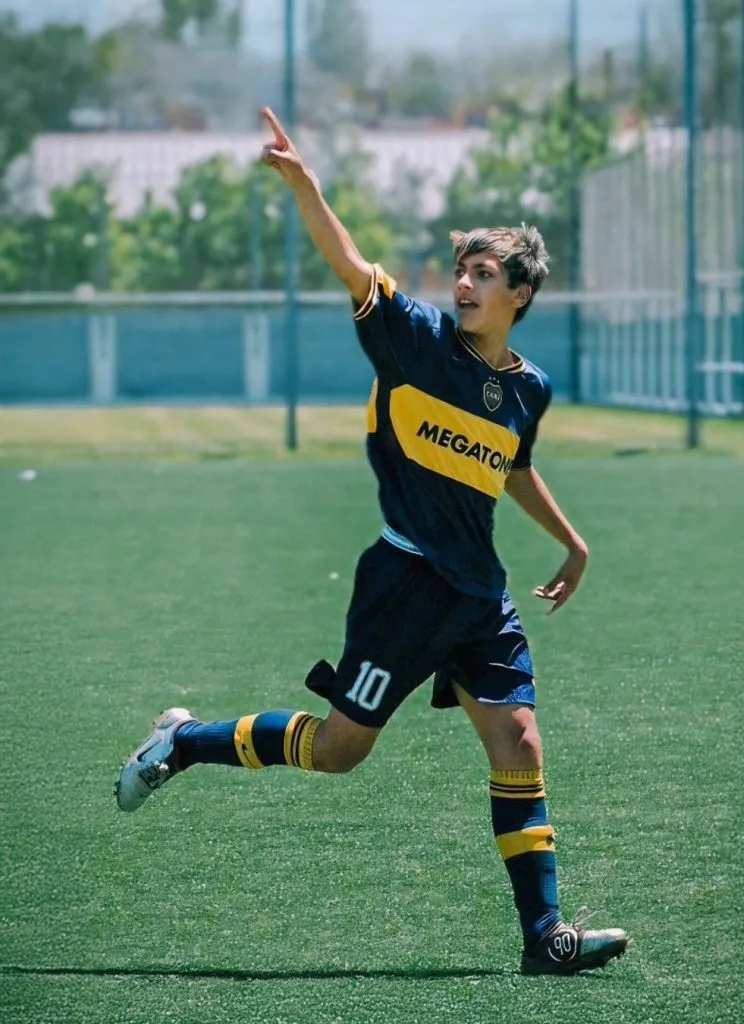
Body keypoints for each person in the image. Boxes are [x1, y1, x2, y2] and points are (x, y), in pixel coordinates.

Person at [116, 107, 628, 976]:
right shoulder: (413, 339)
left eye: (483, 273)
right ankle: (184, 741)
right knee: (339, 751)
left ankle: (543, 937)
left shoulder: (528, 389)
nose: (464, 284)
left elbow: (508, 469)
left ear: (520, 294)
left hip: (478, 593)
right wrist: (307, 186)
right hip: (402, 582)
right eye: (460, 270)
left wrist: (572, 543)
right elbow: (350, 265)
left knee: (520, 744)